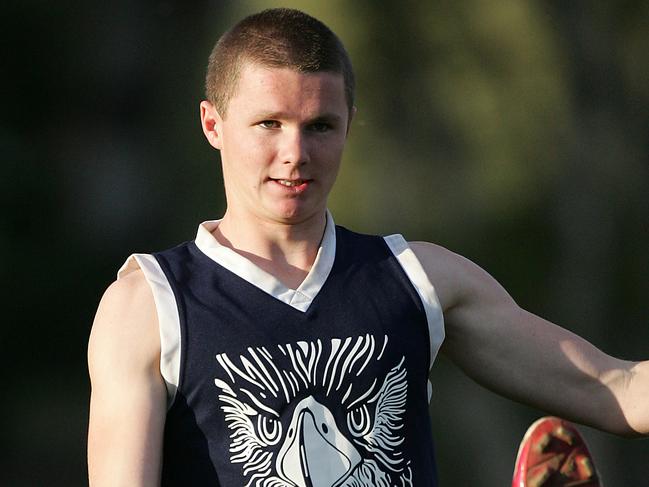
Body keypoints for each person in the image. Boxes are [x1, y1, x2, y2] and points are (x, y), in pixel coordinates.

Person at [87, 8, 648, 487]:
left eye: (320, 127)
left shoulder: (419, 279)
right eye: (269, 124)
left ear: (350, 125)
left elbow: (614, 387)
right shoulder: (149, 308)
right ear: (213, 123)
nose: (295, 152)